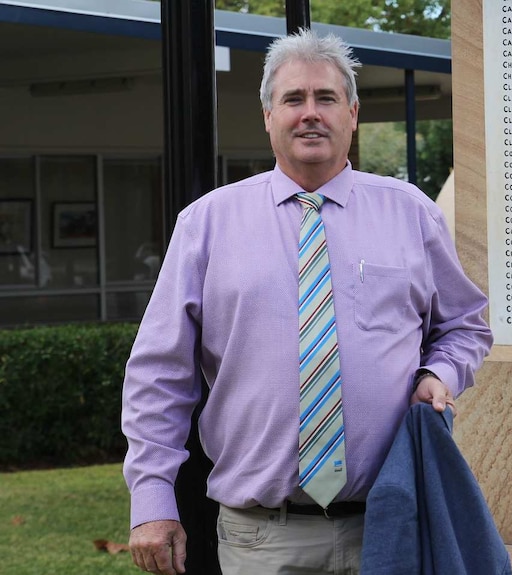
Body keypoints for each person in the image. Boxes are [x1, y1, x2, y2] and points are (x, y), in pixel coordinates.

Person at [121, 29, 492, 575]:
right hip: (262, 539)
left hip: (390, 528)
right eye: (293, 99)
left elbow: (465, 325)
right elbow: (159, 372)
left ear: (353, 114)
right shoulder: (206, 224)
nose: (310, 113)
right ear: (268, 114)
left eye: (326, 98)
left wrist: (440, 373)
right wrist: (151, 502)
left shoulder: (410, 213)